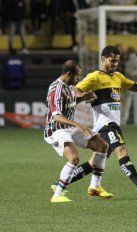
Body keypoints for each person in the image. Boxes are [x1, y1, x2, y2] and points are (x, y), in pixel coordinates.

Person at [75, 45, 137, 195]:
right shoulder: (94, 77)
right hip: (106, 124)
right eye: (112, 61)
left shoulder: (118, 77)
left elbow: (136, 87)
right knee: (122, 150)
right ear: (103, 59)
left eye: (117, 61)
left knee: (94, 163)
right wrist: (85, 96)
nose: (114, 64)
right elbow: (76, 90)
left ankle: (61, 182)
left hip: (111, 125)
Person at [45, 60, 112, 203]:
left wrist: (85, 98)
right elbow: (57, 116)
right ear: (68, 74)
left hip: (69, 127)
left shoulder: (69, 86)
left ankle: (95, 186)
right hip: (56, 129)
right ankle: (57, 195)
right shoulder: (56, 89)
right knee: (74, 158)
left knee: (102, 146)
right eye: (77, 76)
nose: (78, 79)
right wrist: (78, 124)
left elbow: (70, 101)